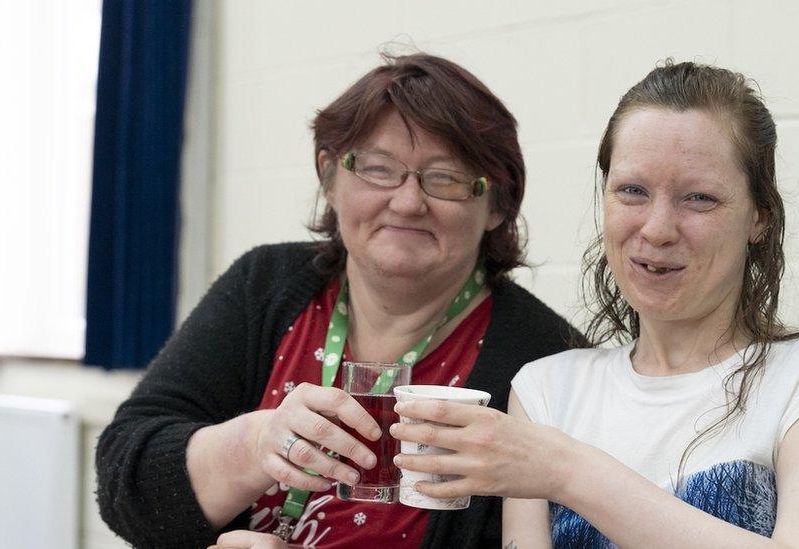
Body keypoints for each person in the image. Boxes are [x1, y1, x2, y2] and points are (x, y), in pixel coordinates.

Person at [390, 60, 799, 547]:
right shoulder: (548, 388)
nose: (657, 230)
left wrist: (567, 470)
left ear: (759, 218)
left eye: (699, 198)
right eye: (633, 191)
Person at [95, 52, 582, 549]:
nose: (409, 201)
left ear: (497, 205)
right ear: (330, 177)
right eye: (378, 168)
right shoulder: (264, 285)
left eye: (446, 178)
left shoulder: (549, 360)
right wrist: (257, 444)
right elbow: (124, 483)